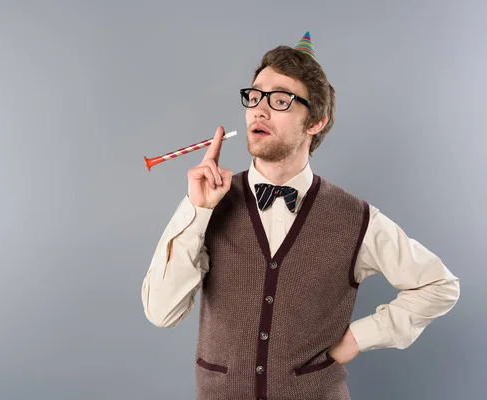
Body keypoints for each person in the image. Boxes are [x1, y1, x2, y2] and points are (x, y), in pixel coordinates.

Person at [141, 31, 460, 400]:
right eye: (255, 96)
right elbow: (161, 313)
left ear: (315, 122)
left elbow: (440, 285)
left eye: (280, 100)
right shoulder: (210, 203)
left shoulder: (354, 218)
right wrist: (196, 210)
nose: (259, 109)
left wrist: (358, 339)